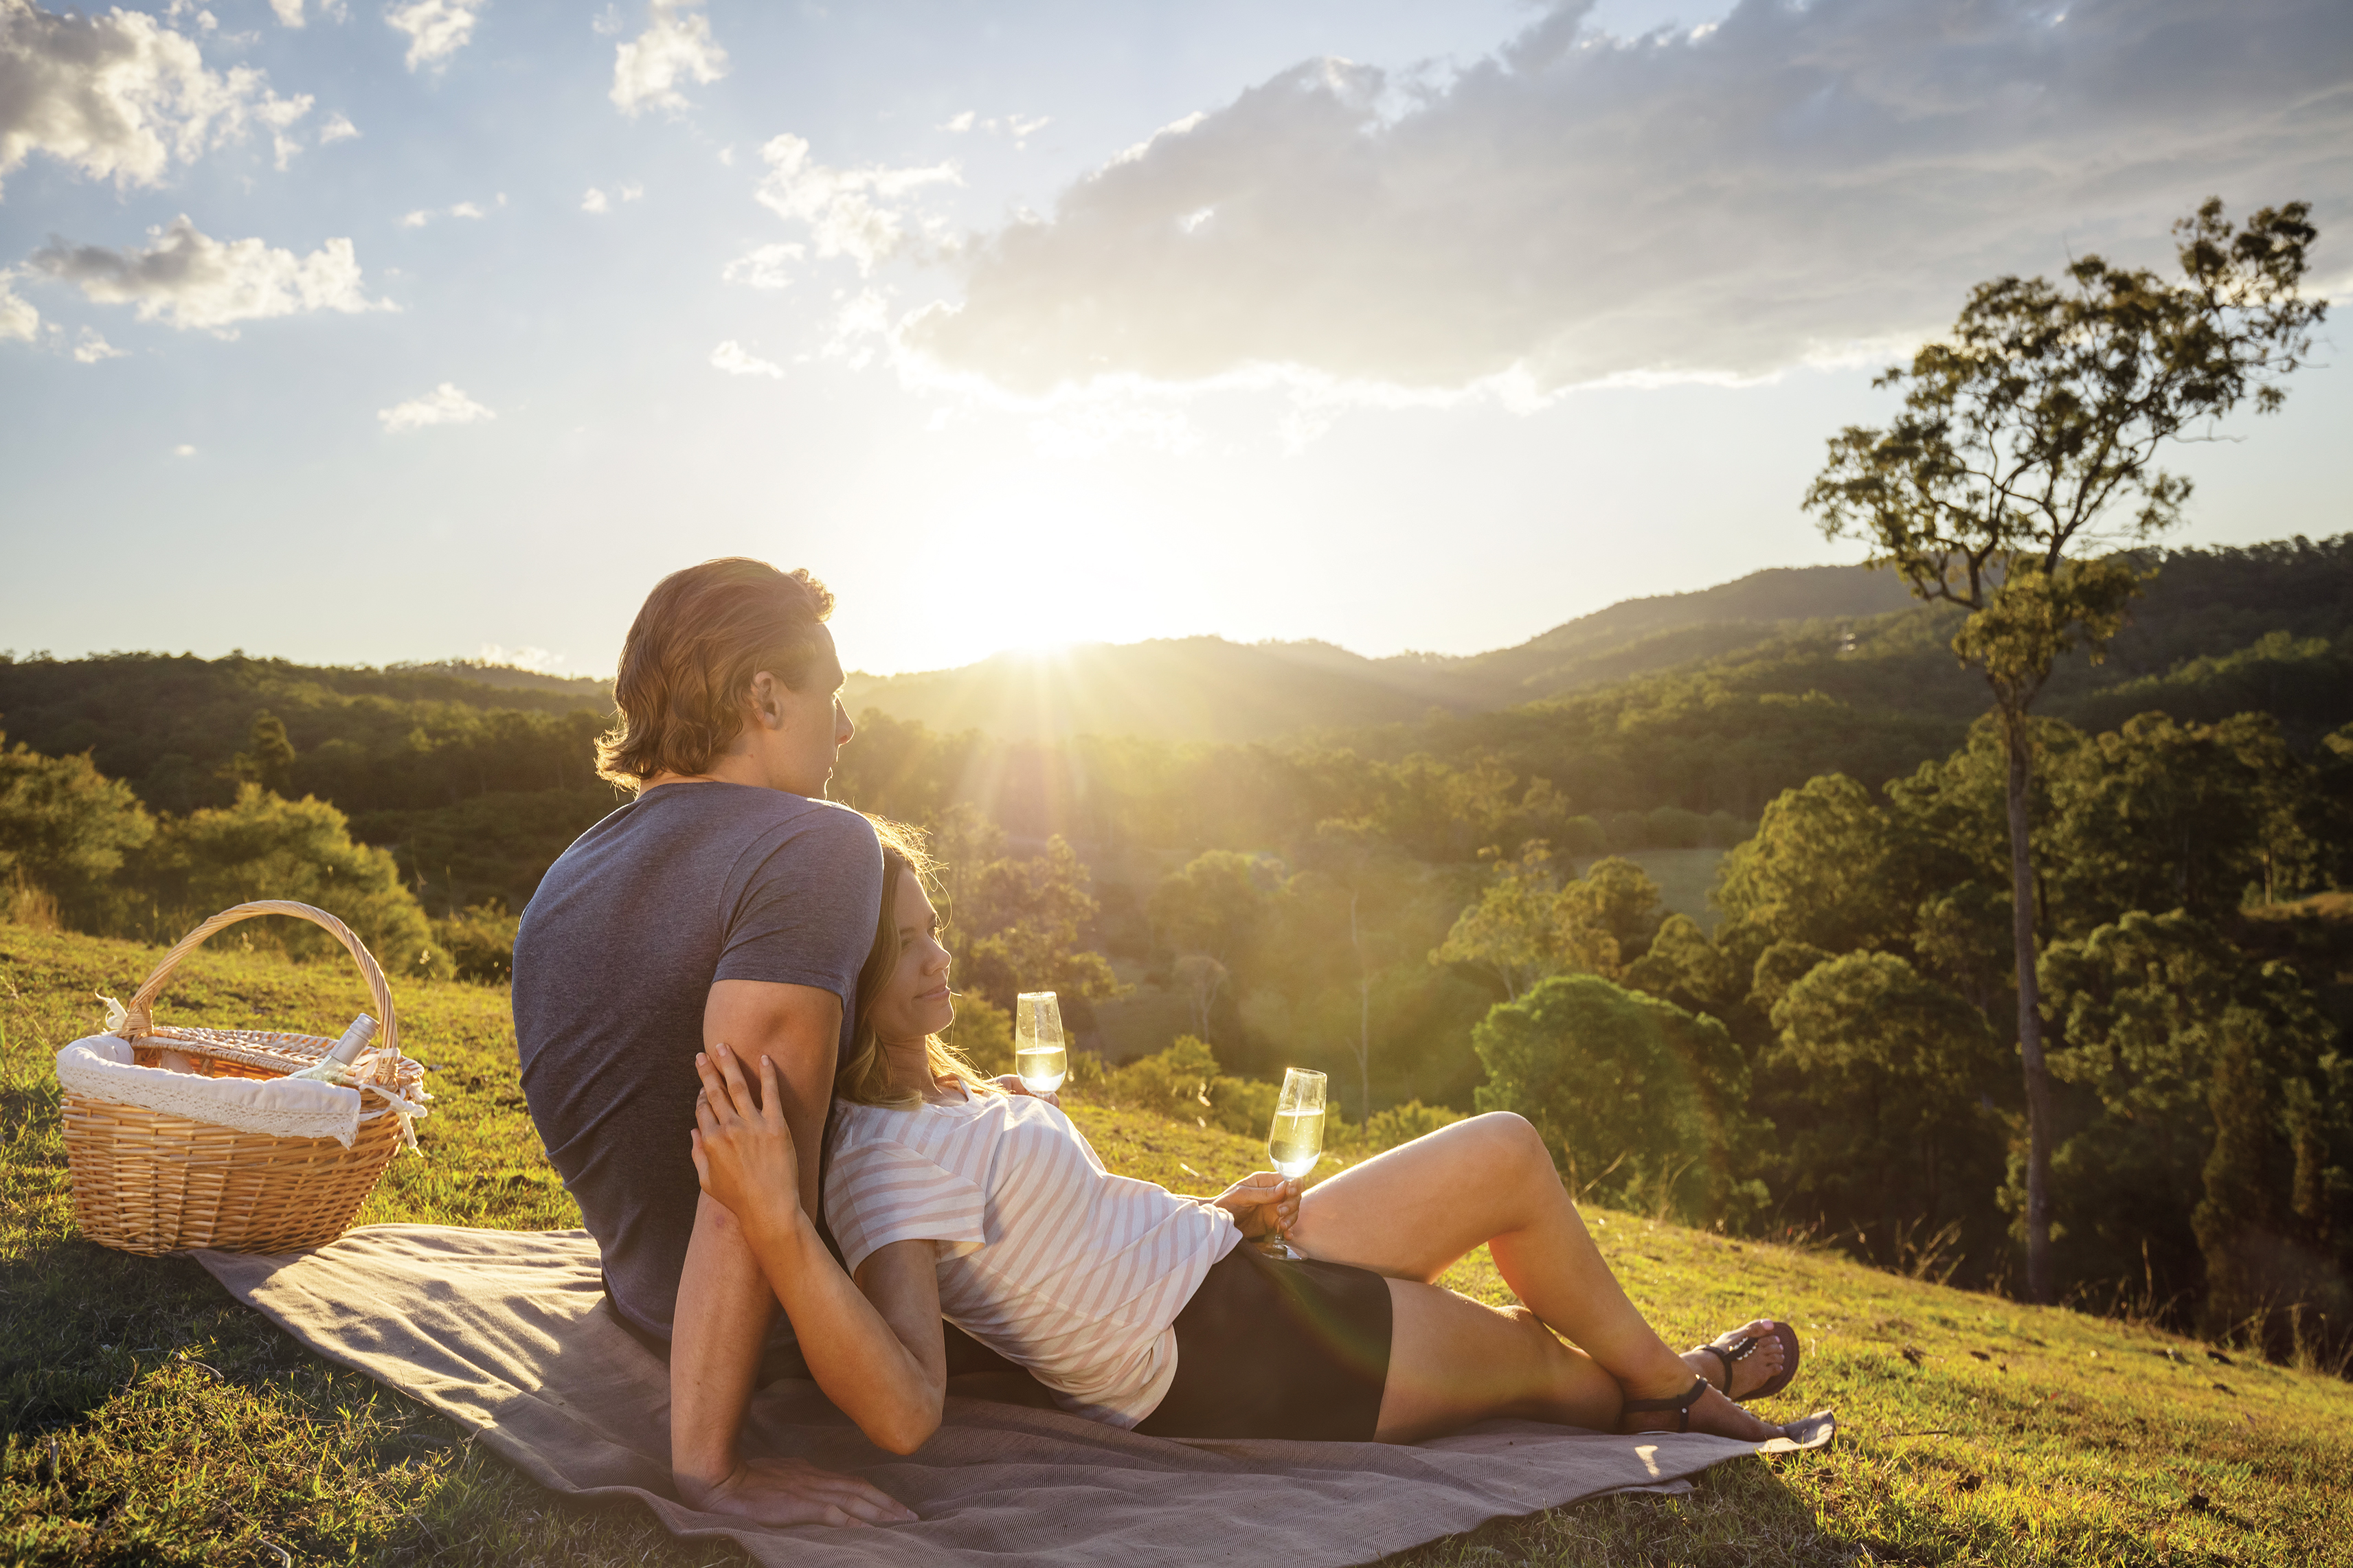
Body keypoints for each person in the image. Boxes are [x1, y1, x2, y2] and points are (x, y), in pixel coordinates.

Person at [686, 828, 1807, 1464]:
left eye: (934, 930)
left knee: (1505, 1151)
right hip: (1218, 1348)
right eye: (906, 948)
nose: (938, 961)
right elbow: (902, 1409)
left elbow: (1066, 1238)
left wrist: (1214, 1214)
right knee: (1534, 1361)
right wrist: (776, 1222)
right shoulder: (878, 1159)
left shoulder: (937, 1083)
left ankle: (1668, 1380)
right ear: (840, 981)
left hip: (1225, 1255)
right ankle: (1679, 1386)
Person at [510, 558, 918, 1527]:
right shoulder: (816, 843)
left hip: (644, 1306)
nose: (847, 729)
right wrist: (711, 1471)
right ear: (765, 696)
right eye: (835, 696)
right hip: (792, 1341)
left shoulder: (572, 868)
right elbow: (746, 1160)